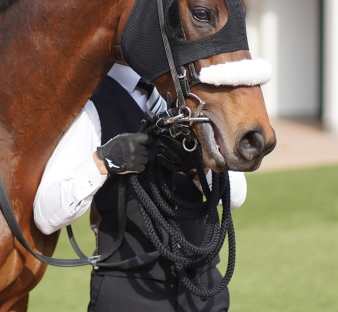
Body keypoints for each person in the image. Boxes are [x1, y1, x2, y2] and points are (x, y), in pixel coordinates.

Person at [34, 63, 247, 312]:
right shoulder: (90, 105)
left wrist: (198, 168)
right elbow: (46, 215)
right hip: (130, 293)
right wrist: (103, 162)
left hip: (203, 289)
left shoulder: (190, 96)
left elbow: (236, 196)